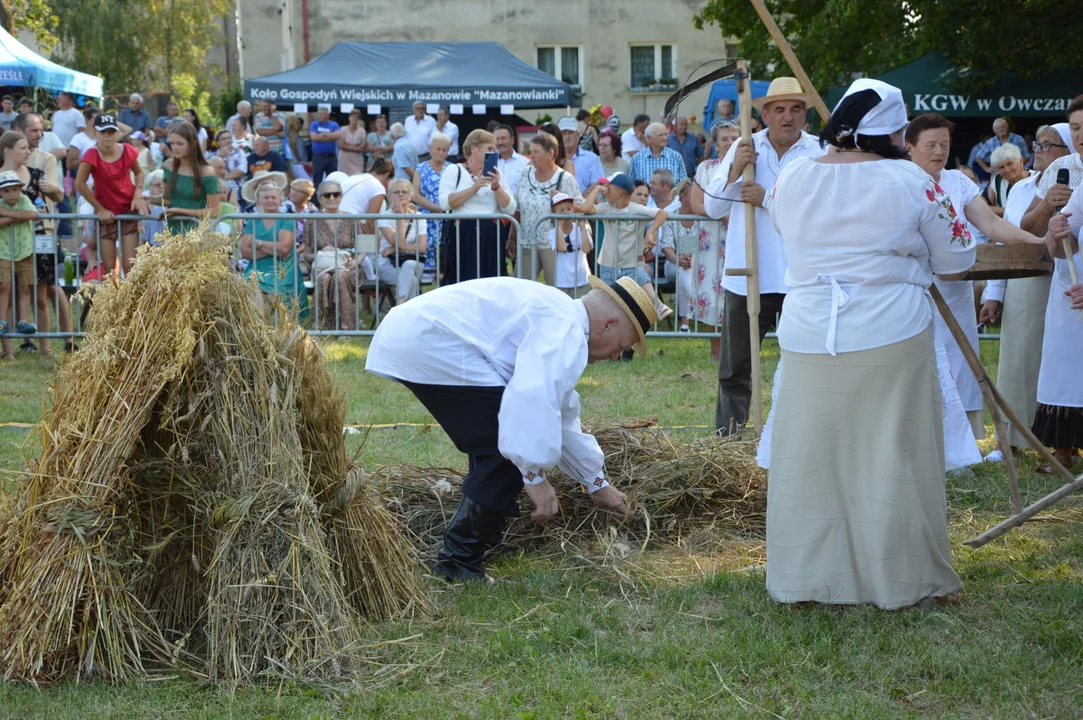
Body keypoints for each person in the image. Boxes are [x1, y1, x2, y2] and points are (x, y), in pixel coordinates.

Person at [763, 78, 975, 610]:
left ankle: (808, 578)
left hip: (811, 332)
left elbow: (789, 232)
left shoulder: (792, 176)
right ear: (891, 132)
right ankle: (907, 580)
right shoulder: (911, 180)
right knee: (893, 455)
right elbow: (957, 259)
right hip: (889, 331)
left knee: (812, 458)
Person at [364, 275, 644, 581]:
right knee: (503, 450)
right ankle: (458, 561)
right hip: (428, 341)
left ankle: (480, 541)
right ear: (607, 324)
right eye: (622, 346)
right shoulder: (566, 329)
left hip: (420, 335)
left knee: (500, 436)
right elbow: (530, 399)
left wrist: (596, 482)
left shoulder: (562, 318)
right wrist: (534, 477)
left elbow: (559, 412)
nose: (617, 356)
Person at [906, 112, 1043, 439]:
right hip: (913, 291)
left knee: (960, 359)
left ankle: (962, 439)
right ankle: (920, 436)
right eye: (930, 145)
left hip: (956, 289)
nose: (939, 151)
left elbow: (993, 225)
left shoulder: (957, 181)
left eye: (945, 144)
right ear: (909, 147)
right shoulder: (898, 180)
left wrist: (1039, 242)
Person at [704, 77, 827, 435]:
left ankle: (805, 434)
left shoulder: (819, 151)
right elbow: (711, 207)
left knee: (807, 363)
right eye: (779, 110)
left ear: (805, 114)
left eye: (796, 109)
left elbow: (821, 212)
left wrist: (767, 197)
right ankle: (727, 443)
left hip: (801, 277)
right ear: (764, 113)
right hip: (748, 276)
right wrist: (732, 169)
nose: (787, 117)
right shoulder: (745, 146)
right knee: (735, 368)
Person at [981, 124, 1071, 458]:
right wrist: (994, 293)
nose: (1040, 150)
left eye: (1049, 144)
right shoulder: (1021, 190)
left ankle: (1064, 440)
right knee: (1018, 361)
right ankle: (1011, 440)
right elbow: (1005, 240)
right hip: (1027, 280)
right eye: (1039, 144)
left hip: (1066, 282)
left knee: (1064, 364)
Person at [15, 112, 71, 354]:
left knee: (50, 286)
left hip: (43, 229)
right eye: (34, 130)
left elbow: (53, 193)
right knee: (16, 286)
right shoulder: (6, 156)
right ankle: (23, 340)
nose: (40, 134)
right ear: (19, 129)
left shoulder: (45, 158)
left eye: (41, 130)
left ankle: (67, 338)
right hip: (13, 231)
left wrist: (53, 189)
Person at [581, 173, 671, 323]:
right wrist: (596, 190)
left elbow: (663, 213)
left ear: (618, 193)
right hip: (609, 264)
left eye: (608, 188)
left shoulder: (636, 209)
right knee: (608, 299)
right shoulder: (606, 208)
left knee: (640, 278)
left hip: (630, 263)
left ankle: (658, 305)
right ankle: (604, 322)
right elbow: (586, 209)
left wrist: (650, 231)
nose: (605, 190)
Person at [439, 128, 517, 284]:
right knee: (463, 281)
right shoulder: (454, 170)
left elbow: (510, 209)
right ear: (474, 148)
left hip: (491, 234)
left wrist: (496, 187)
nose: (493, 153)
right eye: (489, 149)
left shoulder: (498, 174)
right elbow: (445, 203)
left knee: (491, 282)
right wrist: (475, 188)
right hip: (463, 233)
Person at [689, 120, 739, 362]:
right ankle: (716, 352)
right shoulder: (706, 168)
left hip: (739, 237)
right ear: (716, 143)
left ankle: (738, 351)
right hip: (711, 238)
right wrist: (720, 213)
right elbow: (695, 203)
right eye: (724, 139)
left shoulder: (750, 166)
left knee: (738, 293)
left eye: (733, 138)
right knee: (711, 290)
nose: (729, 143)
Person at [74, 115, 146, 277]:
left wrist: (138, 194)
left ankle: (131, 301)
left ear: (117, 133)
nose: (108, 136)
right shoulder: (92, 155)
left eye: (112, 132)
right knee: (109, 269)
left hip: (128, 212)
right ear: (95, 133)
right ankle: (112, 301)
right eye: (103, 132)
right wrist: (99, 209)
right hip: (106, 215)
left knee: (130, 265)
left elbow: (139, 173)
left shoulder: (127, 150)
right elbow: (80, 183)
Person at [1041, 206, 1083, 471]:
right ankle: (1064, 450)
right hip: (1072, 291)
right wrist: (1055, 235)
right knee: (1064, 372)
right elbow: (1065, 246)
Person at [511, 132, 580, 286]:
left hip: (553, 245)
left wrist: (562, 199)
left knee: (557, 290)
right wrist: (512, 237)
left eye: (536, 152)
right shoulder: (525, 173)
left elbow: (581, 208)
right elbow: (518, 207)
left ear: (551, 154)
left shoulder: (565, 178)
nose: (531, 156)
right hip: (527, 242)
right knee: (521, 289)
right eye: (530, 151)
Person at [1021, 98, 1083, 238]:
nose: (1081, 134)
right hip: (1064, 258)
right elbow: (1027, 230)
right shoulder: (1058, 167)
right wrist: (1047, 205)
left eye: (1047, 145)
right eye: (1075, 128)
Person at [238, 183, 298, 313]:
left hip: (281, 272)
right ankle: (258, 329)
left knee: (265, 296)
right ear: (258, 200)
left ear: (280, 199)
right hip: (255, 271)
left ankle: (259, 330)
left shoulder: (287, 219)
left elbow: (284, 248)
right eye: (266, 197)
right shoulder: (253, 221)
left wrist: (257, 243)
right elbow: (244, 251)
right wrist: (273, 251)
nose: (270, 200)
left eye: (273, 197)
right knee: (252, 289)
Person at [0, 170, 39, 359]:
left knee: (25, 288)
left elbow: (32, 214)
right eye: (7, 191)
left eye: (15, 190)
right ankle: (1, 321)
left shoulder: (24, 200)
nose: (11, 194)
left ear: (20, 190)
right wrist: (17, 216)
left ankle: (23, 321)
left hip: (25, 250)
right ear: (1, 193)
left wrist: (6, 215)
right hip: (4, 251)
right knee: (4, 286)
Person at [161, 121, 220, 235]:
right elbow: (166, 198)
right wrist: (144, 199)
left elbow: (213, 211)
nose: (175, 147)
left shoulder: (206, 171)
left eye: (180, 144)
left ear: (193, 144)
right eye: (172, 143)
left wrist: (179, 211)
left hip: (199, 234)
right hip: (173, 231)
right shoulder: (168, 166)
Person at [377, 179, 427, 304]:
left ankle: (400, 307)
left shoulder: (419, 217)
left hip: (414, 262)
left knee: (409, 264)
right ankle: (404, 306)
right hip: (388, 264)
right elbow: (397, 242)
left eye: (404, 192)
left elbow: (422, 248)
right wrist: (400, 216)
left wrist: (397, 248)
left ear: (410, 196)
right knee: (412, 280)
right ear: (389, 196)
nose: (400, 195)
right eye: (396, 192)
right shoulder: (384, 217)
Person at [658, 179, 696, 330]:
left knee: (685, 271)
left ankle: (684, 326)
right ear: (683, 199)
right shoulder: (671, 217)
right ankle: (690, 308)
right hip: (673, 264)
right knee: (682, 270)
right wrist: (678, 259)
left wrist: (695, 260)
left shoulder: (703, 217)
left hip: (697, 264)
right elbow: (666, 246)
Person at [412, 132, 451, 271]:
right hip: (426, 218)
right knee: (427, 252)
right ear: (430, 150)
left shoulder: (453, 168)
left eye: (444, 150)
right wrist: (435, 208)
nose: (441, 152)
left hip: (448, 219)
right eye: (438, 149)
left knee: (446, 255)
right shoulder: (420, 169)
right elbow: (415, 195)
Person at [549, 192, 593, 298]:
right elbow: (562, 247)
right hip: (563, 281)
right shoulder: (553, 233)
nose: (566, 213)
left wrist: (583, 228)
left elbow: (587, 249)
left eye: (569, 209)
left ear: (574, 209)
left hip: (582, 279)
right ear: (554, 213)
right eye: (561, 210)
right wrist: (559, 227)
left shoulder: (581, 229)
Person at [558, 116, 603, 195]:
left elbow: (596, 184)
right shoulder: (553, 158)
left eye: (571, 133)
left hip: (585, 205)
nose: (567, 137)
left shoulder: (592, 158)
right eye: (563, 133)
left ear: (578, 135)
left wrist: (580, 203)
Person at [986, 143, 1031, 214]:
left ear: (1021, 161)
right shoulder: (997, 181)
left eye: (1010, 164)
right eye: (1001, 167)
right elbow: (981, 206)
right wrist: (1009, 212)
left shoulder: (1037, 178)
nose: (1007, 169)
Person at [308, 105, 341, 189]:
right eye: (318, 114)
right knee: (317, 179)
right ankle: (316, 200)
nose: (319, 116)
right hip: (318, 157)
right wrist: (330, 137)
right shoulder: (314, 124)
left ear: (327, 115)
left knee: (333, 179)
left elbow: (337, 136)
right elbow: (314, 137)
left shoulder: (333, 124)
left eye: (321, 114)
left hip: (331, 157)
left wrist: (323, 134)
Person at [214, 129, 248, 199]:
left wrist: (222, 177)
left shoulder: (239, 152)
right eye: (224, 138)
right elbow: (210, 172)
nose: (228, 140)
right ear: (218, 142)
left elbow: (242, 170)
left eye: (229, 138)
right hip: (219, 193)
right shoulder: (213, 156)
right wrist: (220, 157)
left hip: (237, 191)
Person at [494, 124, 527, 195]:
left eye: (503, 138)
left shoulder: (524, 163)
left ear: (512, 140)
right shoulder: (490, 162)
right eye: (497, 139)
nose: (500, 142)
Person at [336, 108, 367, 177]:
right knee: (343, 177)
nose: (355, 119)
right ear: (349, 117)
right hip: (344, 159)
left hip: (356, 160)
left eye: (357, 117)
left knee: (357, 177)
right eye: (353, 116)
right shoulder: (343, 129)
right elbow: (341, 146)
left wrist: (347, 145)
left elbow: (362, 147)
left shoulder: (362, 131)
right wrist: (355, 147)